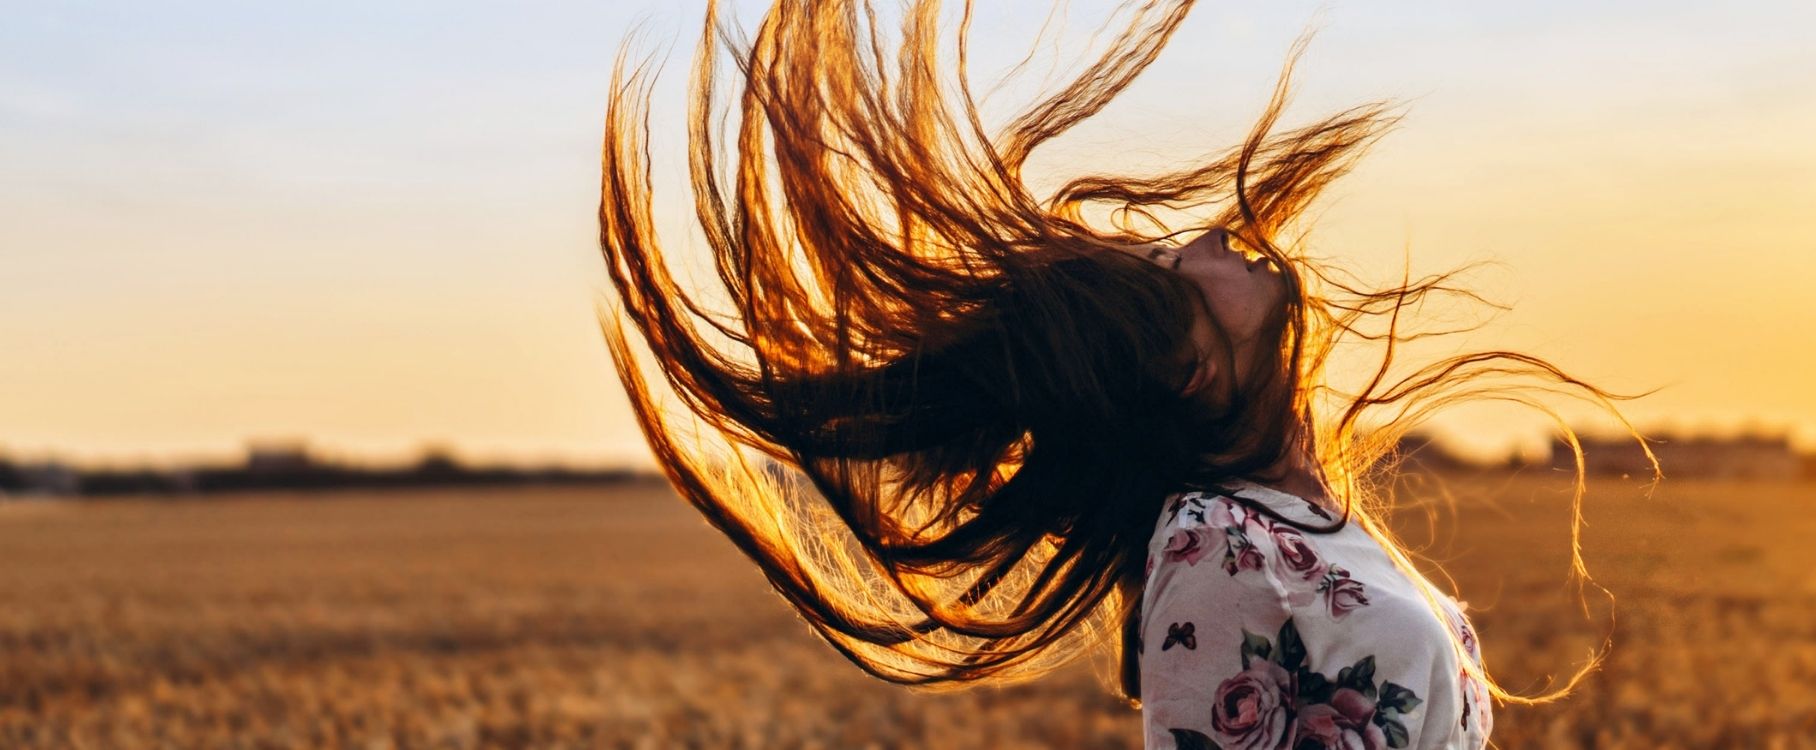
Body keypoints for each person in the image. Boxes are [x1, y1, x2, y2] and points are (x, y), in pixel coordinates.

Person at [594, 0, 1654, 747]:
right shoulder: (1217, 542)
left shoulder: (1298, 521)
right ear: (1189, 371)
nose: (1206, 239)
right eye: (1174, 274)